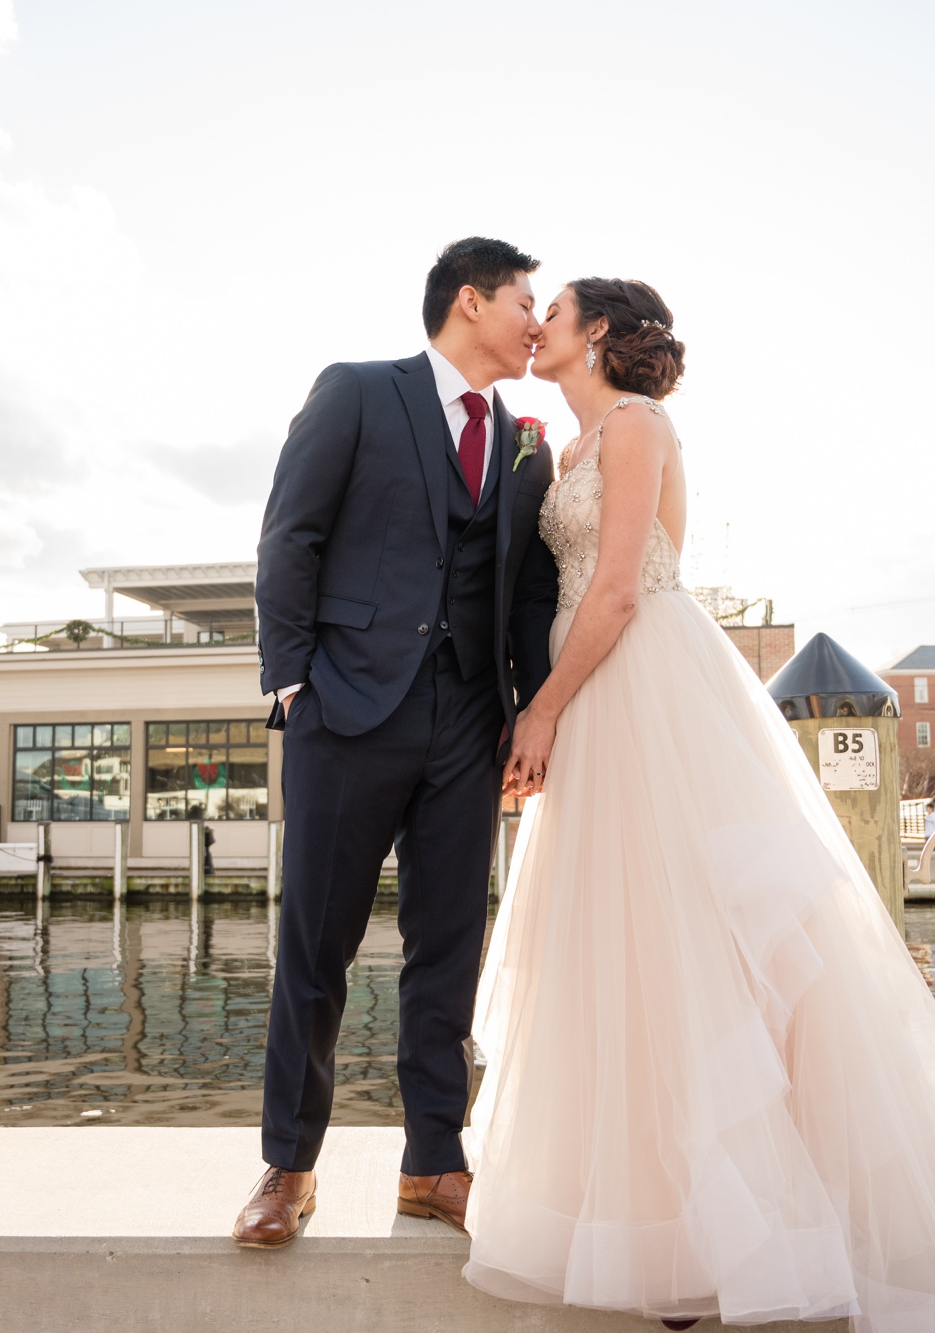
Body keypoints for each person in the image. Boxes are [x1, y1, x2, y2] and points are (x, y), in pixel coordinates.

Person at [465, 277, 935, 1331]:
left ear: (598, 332)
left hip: (641, 684)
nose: (541, 320)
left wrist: (542, 714)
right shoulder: (563, 447)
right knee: (619, 948)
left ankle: (733, 1224)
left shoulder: (636, 425)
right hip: (596, 692)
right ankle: (649, 1211)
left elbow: (616, 590)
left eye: (556, 306)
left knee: (689, 942)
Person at [233, 238, 561, 1248]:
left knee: (446, 949)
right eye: (522, 301)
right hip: (345, 710)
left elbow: (528, 595)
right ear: (469, 302)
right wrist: (292, 684)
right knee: (316, 946)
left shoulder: (523, 441)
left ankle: (434, 1163)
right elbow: (290, 534)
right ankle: (287, 1167)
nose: (535, 322)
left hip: (466, 723)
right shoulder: (357, 392)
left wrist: (527, 712)